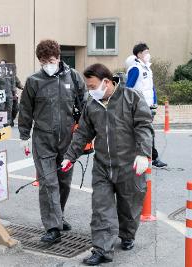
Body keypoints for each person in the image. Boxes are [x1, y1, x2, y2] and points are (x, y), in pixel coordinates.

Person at [61, 63, 153, 265]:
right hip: (103, 165)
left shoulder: (131, 97)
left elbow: (144, 126)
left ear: (107, 82)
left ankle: (127, 234)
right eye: (89, 87)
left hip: (130, 164)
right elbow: (83, 133)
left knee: (129, 207)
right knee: (101, 208)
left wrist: (143, 154)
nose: (91, 91)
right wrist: (70, 156)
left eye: (93, 86)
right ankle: (102, 250)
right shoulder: (92, 105)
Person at [18, 39, 86, 244]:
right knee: (48, 182)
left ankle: (59, 215)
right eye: (43, 61)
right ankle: (52, 226)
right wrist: (24, 136)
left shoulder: (73, 77)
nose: (48, 64)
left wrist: (90, 132)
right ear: (39, 61)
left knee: (64, 182)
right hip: (43, 139)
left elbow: (85, 105)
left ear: (58, 57)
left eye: (51, 59)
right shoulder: (34, 81)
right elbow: (25, 110)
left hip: (68, 140)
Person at [125, 43, 167, 168]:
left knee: (146, 132)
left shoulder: (148, 69)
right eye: (146, 52)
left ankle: (150, 157)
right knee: (145, 132)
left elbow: (151, 88)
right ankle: (152, 158)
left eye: (148, 52)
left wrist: (154, 103)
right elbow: (128, 88)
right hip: (138, 107)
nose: (148, 55)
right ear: (139, 54)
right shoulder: (135, 69)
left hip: (149, 106)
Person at [0, 60, 23, 127]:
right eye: (1, 65)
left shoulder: (11, 74)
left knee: (9, 109)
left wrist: (18, 91)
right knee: (0, 108)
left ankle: (7, 123)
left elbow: (15, 83)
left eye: (3, 64)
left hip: (9, 94)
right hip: (1, 94)